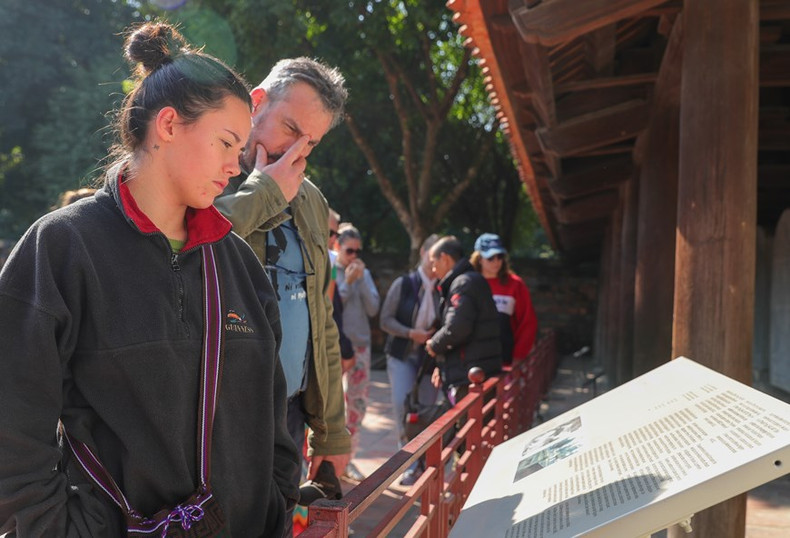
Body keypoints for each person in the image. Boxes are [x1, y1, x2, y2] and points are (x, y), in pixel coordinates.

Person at [0, 21, 299, 536]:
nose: (236, 166)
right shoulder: (62, 248)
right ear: (167, 125)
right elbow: (13, 422)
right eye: (227, 143)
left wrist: (275, 500)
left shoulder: (240, 266)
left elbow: (273, 423)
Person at [212, 57, 351, 513]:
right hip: (214, 420)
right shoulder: (207, 170)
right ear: (256, 103)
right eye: (290, 129)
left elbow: (320, 323)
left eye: (311, 142)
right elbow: (186, 254)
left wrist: (332, 430)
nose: (298, 153)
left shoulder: (312, 200)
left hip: (288, 417)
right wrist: (265, 193)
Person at [379, 234, 441, 486]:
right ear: (423, 252)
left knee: (427, 408)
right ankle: (408, 462)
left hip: (429, 358)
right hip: (402, 353)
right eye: (432, 253)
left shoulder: (444, 287)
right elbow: (385, 320)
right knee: (402, 406)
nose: (435, 260)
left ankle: (424, 462)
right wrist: (409, 333)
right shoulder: (404, 283)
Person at [426, 236, 502, 403]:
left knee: (470, 425)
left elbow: (457, 327)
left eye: (434, 262)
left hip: (469, 373)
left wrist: (435, 345)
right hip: (482, 367)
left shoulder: (462, 283)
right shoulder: (472, 279)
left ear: (444, 259)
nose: (433, 269)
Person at [334, 223, 381, 481]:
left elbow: (374, 308)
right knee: (332, 406)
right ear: (337, 246)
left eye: (357, 251)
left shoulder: (365, 274)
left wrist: (360, 281)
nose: (354, 256)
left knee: (357, 406)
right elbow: (331, 305)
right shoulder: (330, 270)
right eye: (349, 250)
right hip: (336, 346)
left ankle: (348, 459)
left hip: (360, 346)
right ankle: (329, 460)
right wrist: (347, 284)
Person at [471, 233, 538, 365]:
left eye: (500, 256)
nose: (496, 261)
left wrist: (518, 356)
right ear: (479, 259)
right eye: (490, 258)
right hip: (472, 362)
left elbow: (528, 322)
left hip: (505, 362)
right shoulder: (468, 283)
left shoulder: (515, 284)